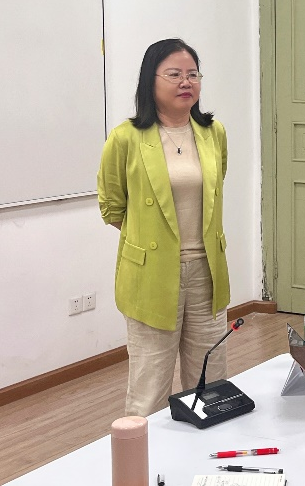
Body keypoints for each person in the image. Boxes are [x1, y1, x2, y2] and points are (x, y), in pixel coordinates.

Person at [97, 38, 230, 416]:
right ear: (150, 81)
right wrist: (155, 239)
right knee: (150, 387)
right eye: (174, 74)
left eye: (193, 74)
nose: (186, 82)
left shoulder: (213, 132)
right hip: (152, 274)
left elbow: (214, 188)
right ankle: (145, 453)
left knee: (210, 384)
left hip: (207, 271)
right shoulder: (126, 137)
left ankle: (205, 449)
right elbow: (112, 206)